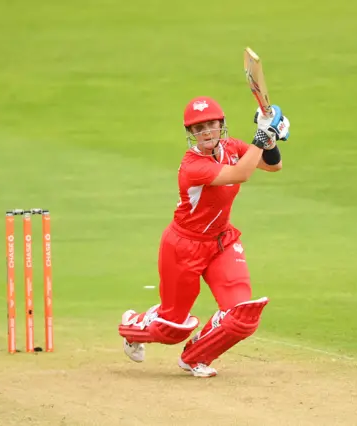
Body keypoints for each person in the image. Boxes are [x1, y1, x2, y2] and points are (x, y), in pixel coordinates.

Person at [118, 96, 290, 377]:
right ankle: (133, 326)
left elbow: (272, 166)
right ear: (191, 134)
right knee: (172, 327)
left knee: (242, 315)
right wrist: (262, 134)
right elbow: (241, 173)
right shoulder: (192, 166)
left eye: (211, 124)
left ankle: (196, 357)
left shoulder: (232, 146)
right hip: (184, 245)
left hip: (222, 241)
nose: (207, 132)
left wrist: (269, 139)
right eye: (199, 128)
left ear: (221, 125)